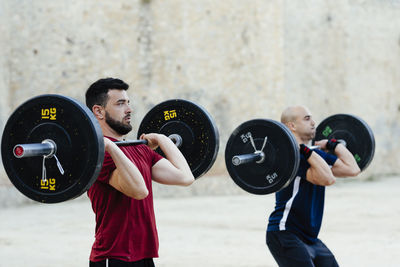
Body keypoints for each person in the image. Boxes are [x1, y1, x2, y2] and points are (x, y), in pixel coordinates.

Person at [85, 78, 195, 267]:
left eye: (128, 102)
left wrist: (162, 139)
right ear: (99, 111)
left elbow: (185, 177)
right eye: (120, 103)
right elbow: (139, 191)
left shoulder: (140, 149)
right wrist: (111, 147)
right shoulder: (99, 155)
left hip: (144, 255)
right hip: (113, 256)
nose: (129, 109)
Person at [266, 105, 361, 267]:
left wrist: (333, 145)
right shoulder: (290, 156)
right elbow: (328, 179)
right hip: (285, 232)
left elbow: (353, 169)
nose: (314, 123)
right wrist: (306, 150)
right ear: (292, 126)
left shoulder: (311, 154)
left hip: (309, 237)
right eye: (307, 118)